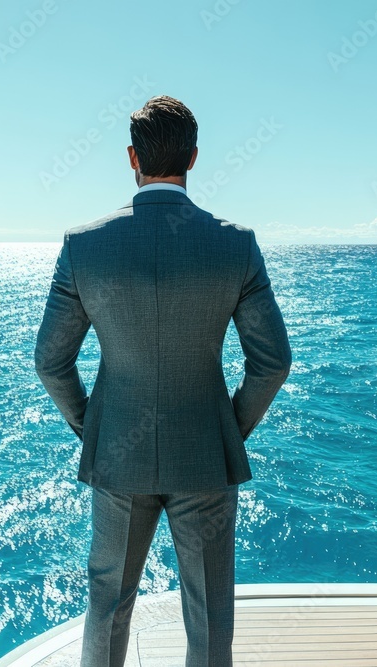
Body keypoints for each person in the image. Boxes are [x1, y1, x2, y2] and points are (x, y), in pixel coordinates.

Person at [34, 95, 292, 667]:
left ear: (133, 157)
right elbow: (272, 362)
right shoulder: (236, 245)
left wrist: (93, 428)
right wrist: (228, 429)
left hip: (118, 456)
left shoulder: (83, 246)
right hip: (204, 457)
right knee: (209, 616)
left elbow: (51, 362)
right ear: (193, 157)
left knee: (107, 605)